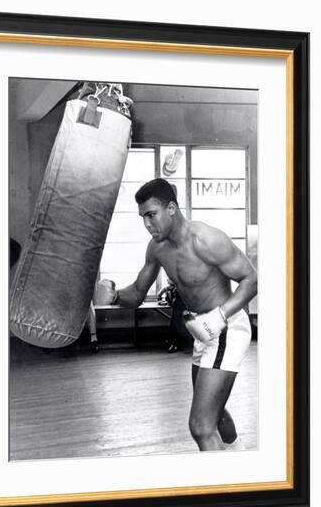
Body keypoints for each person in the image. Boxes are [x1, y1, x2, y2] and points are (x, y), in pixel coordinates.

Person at [96, 178, 257, 451]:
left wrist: (220, 315)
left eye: (151, 215)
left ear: (171, 208)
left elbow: (251, 279)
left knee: (200, 426)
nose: (147, 224)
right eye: (142, 218)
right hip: (202, 332)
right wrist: (113, 296)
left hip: (226, 327)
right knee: (213, 413)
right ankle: (240, 459)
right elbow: (136, 292)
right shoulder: (157, 248)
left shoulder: (206, 240)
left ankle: (226, 489)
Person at [158, 279, 194, 353]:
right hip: (179, 306)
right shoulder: (174, 287)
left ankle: (177, 343)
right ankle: (174, 343)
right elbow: (165, 290)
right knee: (175, 324)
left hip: (184, 306)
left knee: (180, 325)